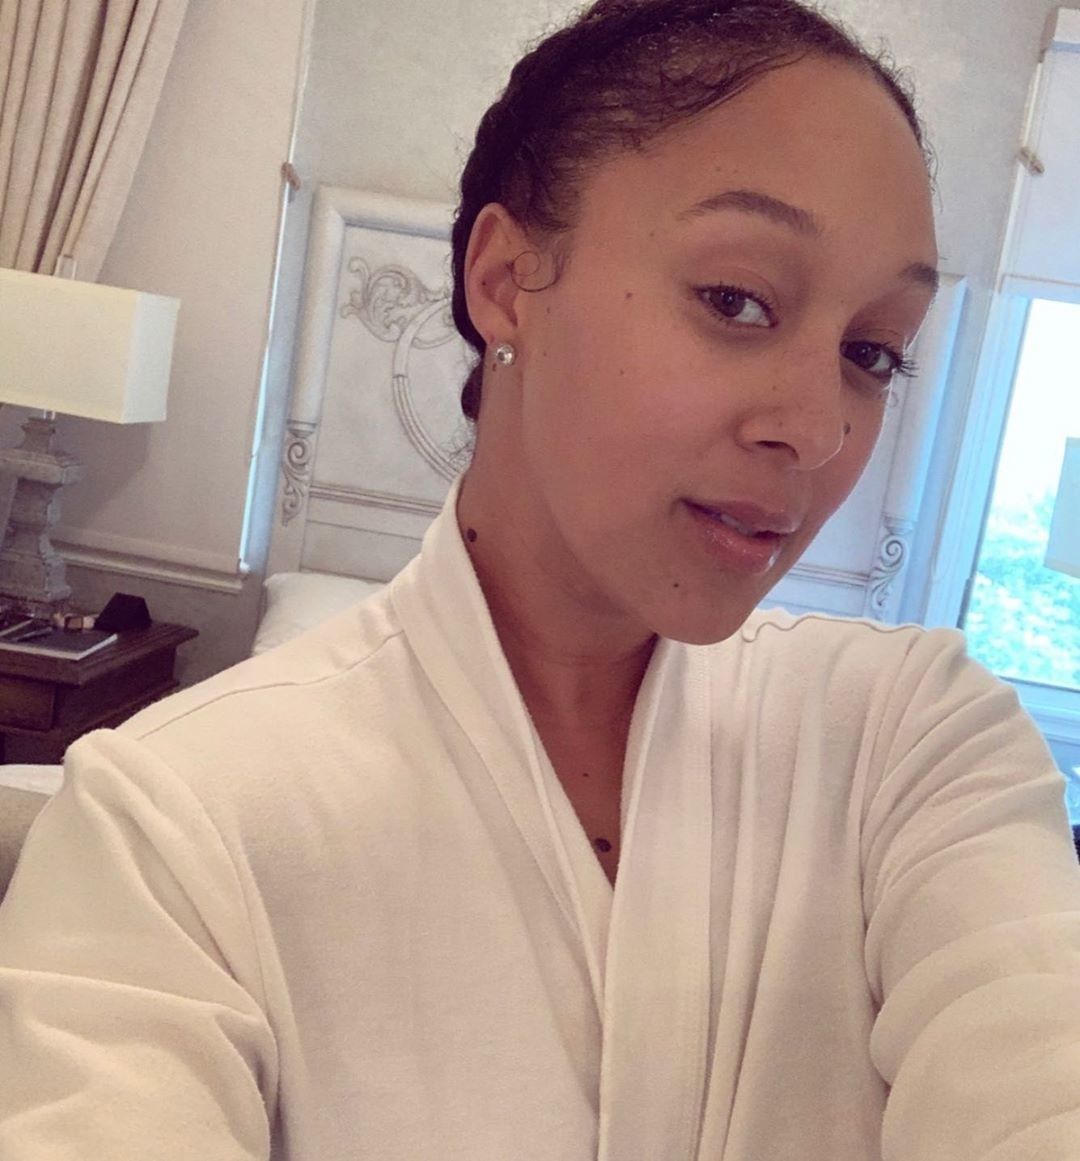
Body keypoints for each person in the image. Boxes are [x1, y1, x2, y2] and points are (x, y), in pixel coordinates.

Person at [1, 1, 1077, 1158]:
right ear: (508, 279)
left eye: (873, 352)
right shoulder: (173, 829)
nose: (819, 431)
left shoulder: (915, 742)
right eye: (737, 300)